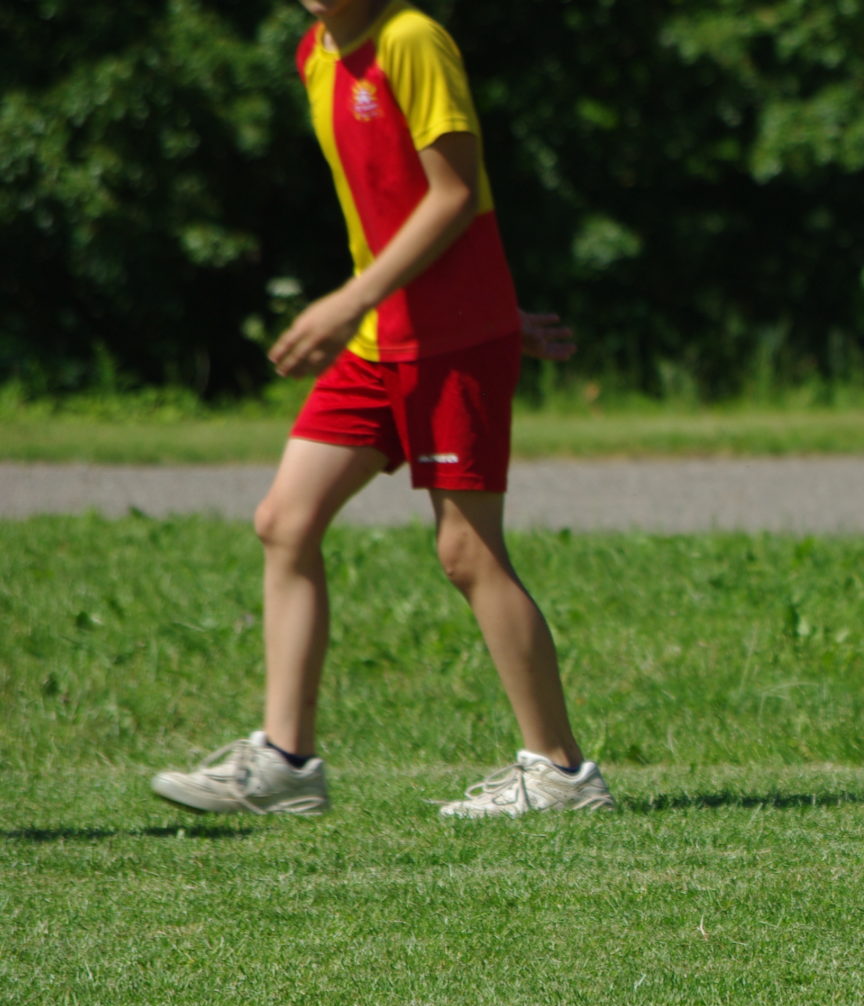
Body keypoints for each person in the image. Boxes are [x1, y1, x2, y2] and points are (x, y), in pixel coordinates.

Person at [150, 0, 611, 818]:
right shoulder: (316, 53)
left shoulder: (411, 40)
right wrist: (378, 308)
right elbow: (386, 207)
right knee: (285, 520)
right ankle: (287, 764)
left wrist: (370, 302)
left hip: (447, 341)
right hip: (381, 338)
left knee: (467, 553)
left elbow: (455, 195)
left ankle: (560, 774)